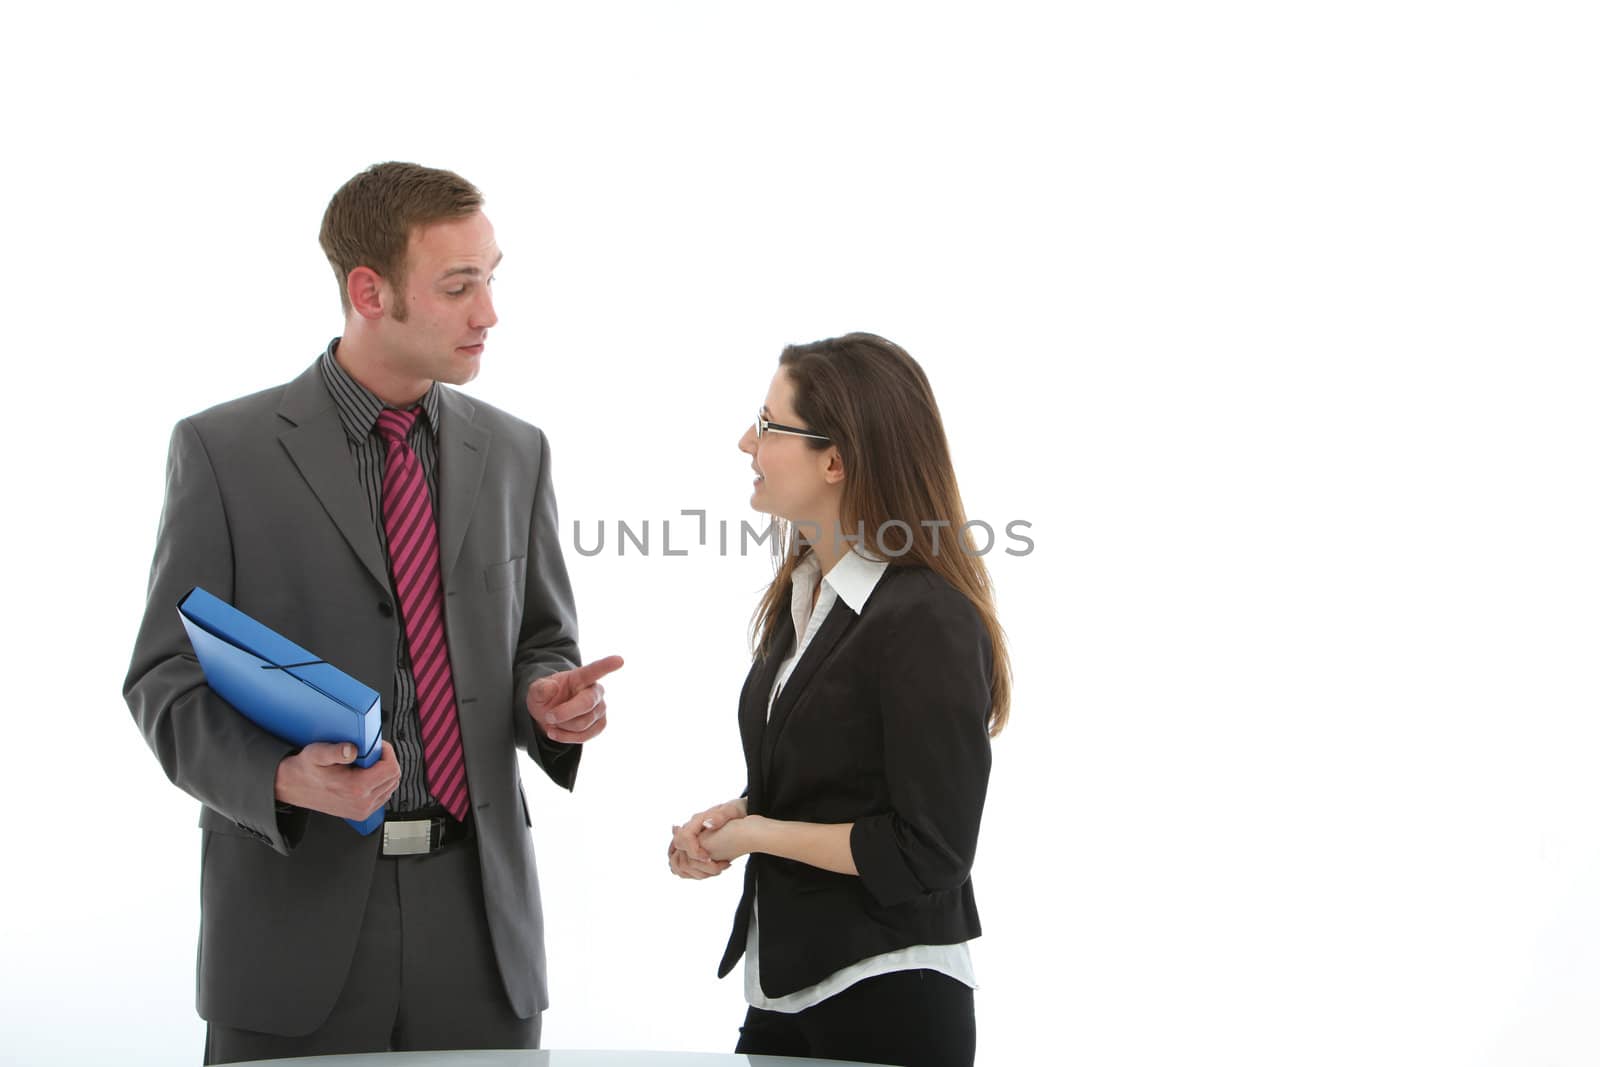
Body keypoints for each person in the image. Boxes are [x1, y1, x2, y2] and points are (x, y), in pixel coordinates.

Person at [124, 161, 621, 1063]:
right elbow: (164, 677)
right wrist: (279, 775)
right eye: (459, 285)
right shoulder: (222, 451)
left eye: (492, 278)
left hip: (480, 926)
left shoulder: (516, 451)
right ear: (368, 290)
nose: (489, 313)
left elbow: (542, 641)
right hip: (289, 922)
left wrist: (548, 698)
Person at [668, 332, 1012, 1067]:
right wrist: (739, 813)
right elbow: (842, 773)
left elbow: (932, 850)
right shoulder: (803, 595)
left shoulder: (927, 616)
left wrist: (759, 833)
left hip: (888, 994)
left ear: (837, 458)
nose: (743, 442)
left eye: (767, 425)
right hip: (786, 992)